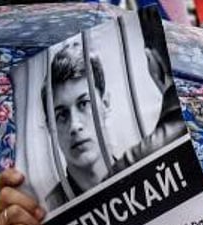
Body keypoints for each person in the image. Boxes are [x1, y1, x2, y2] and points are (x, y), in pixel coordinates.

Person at [40, 40, 185, 211]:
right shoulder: (47, 213)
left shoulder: (152, 172)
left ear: (106, 104)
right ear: (51, 127)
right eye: (61, 115)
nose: (75, 125)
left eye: (84, 104)